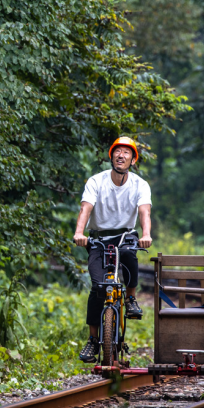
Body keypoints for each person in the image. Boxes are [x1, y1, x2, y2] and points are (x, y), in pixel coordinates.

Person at [73, 136, 153, 363]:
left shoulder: (140, 184)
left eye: (126, 152)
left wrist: (146, 235)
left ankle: (130, 298)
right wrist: (80, 233)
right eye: (117, 151)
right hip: (98, 239)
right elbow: (85, 208)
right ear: (111, 156)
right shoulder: (96, 181)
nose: (121, 155)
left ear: (133, 159)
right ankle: (92, 340)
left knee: (129, 254)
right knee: (98, 287)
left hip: (125, 236)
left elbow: (144, 212)